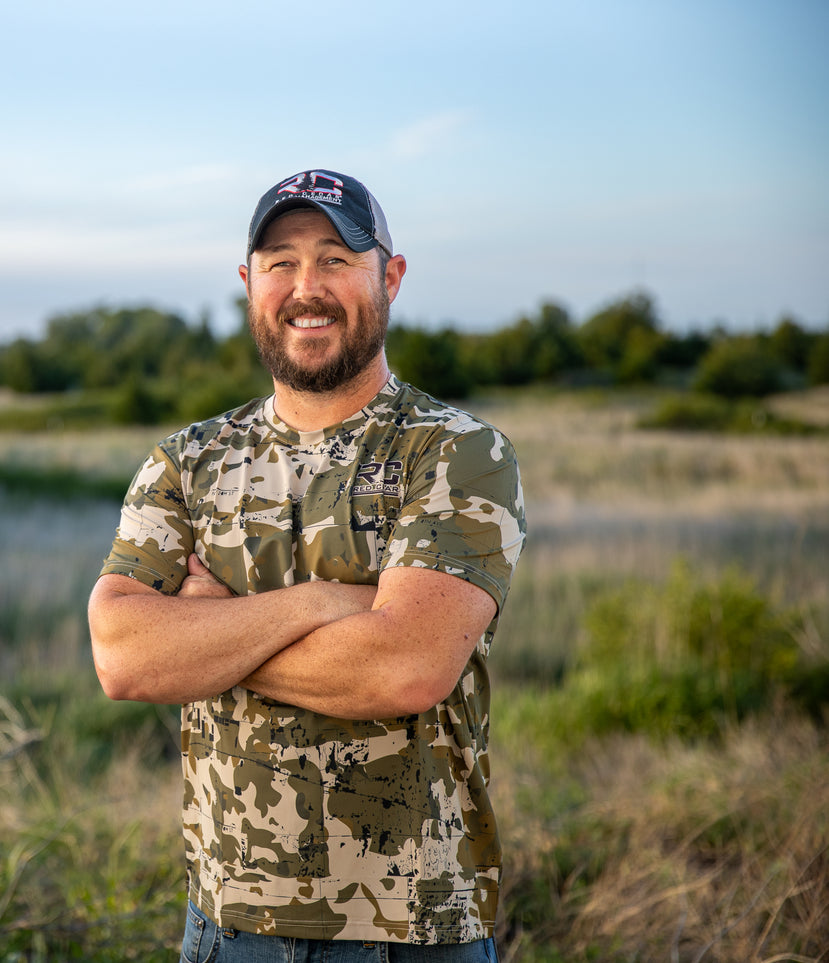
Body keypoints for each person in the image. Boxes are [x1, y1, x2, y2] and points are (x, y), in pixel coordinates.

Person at [88, 169, 526, 962]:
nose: (305, 287)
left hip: (412, 928)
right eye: (280, 262)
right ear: (249, 283)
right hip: (226, 924)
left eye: (335, 259)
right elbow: (122, 655)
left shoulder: (456, 452)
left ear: (388, 277)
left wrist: (205, 635)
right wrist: (326, 602)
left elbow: (403, 667)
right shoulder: (187, 461)